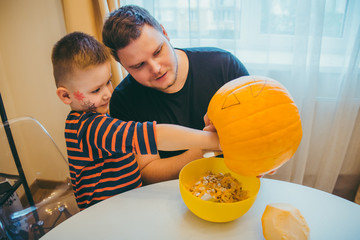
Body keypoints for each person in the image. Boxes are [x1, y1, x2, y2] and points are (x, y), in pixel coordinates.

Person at [51, 32, 220, 210]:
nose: (108, 93)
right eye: (96, 90)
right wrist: (213, 141)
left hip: (124, 206)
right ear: (65, 95)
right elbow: (156, 135)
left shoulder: (91, 119)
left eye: (108, 82)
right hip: (108, 214)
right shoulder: (91, 127)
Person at [102, 5, 249, 178]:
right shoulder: (124, 100)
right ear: (122, 65)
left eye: (157, 52)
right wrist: (207, 146)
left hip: (240, 186)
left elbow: (260, 131)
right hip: (171, 196)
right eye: (139, 65)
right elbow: (148, 173)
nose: (156, 68)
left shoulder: (224, 66)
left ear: (164, 32)